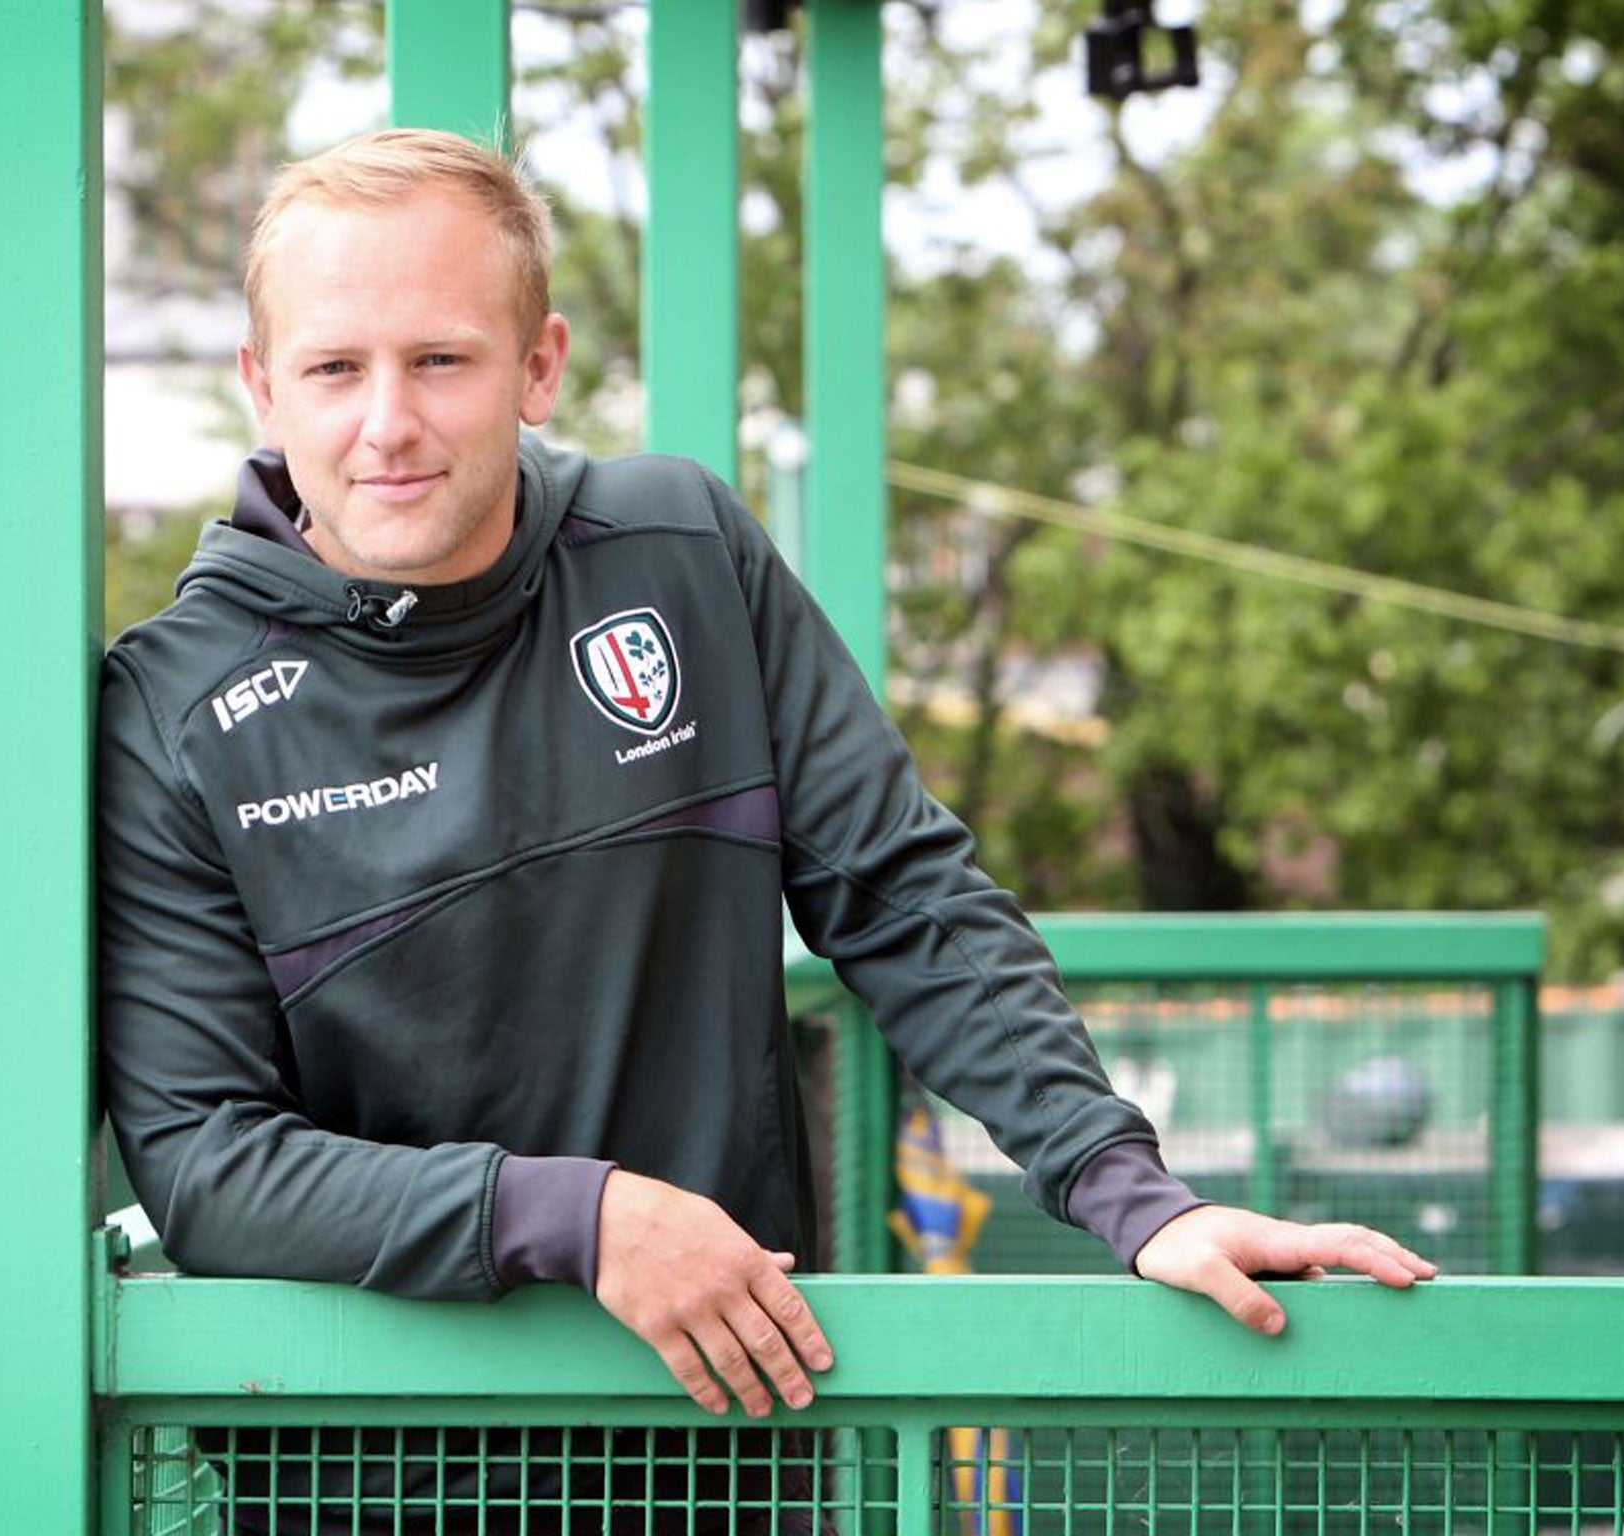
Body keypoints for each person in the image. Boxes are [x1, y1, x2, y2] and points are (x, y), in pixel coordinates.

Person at [97, 127, 1432, 1515]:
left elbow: (907, 895)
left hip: (720, 1454)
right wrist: (577, 1216)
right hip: (375, 1486)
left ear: (539, 367)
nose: (388, 423)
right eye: (334, 369)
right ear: (262, 385)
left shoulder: (679, 551)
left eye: (441, 359)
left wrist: (1131, 1193)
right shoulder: (173, 707)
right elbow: (208, 1161)